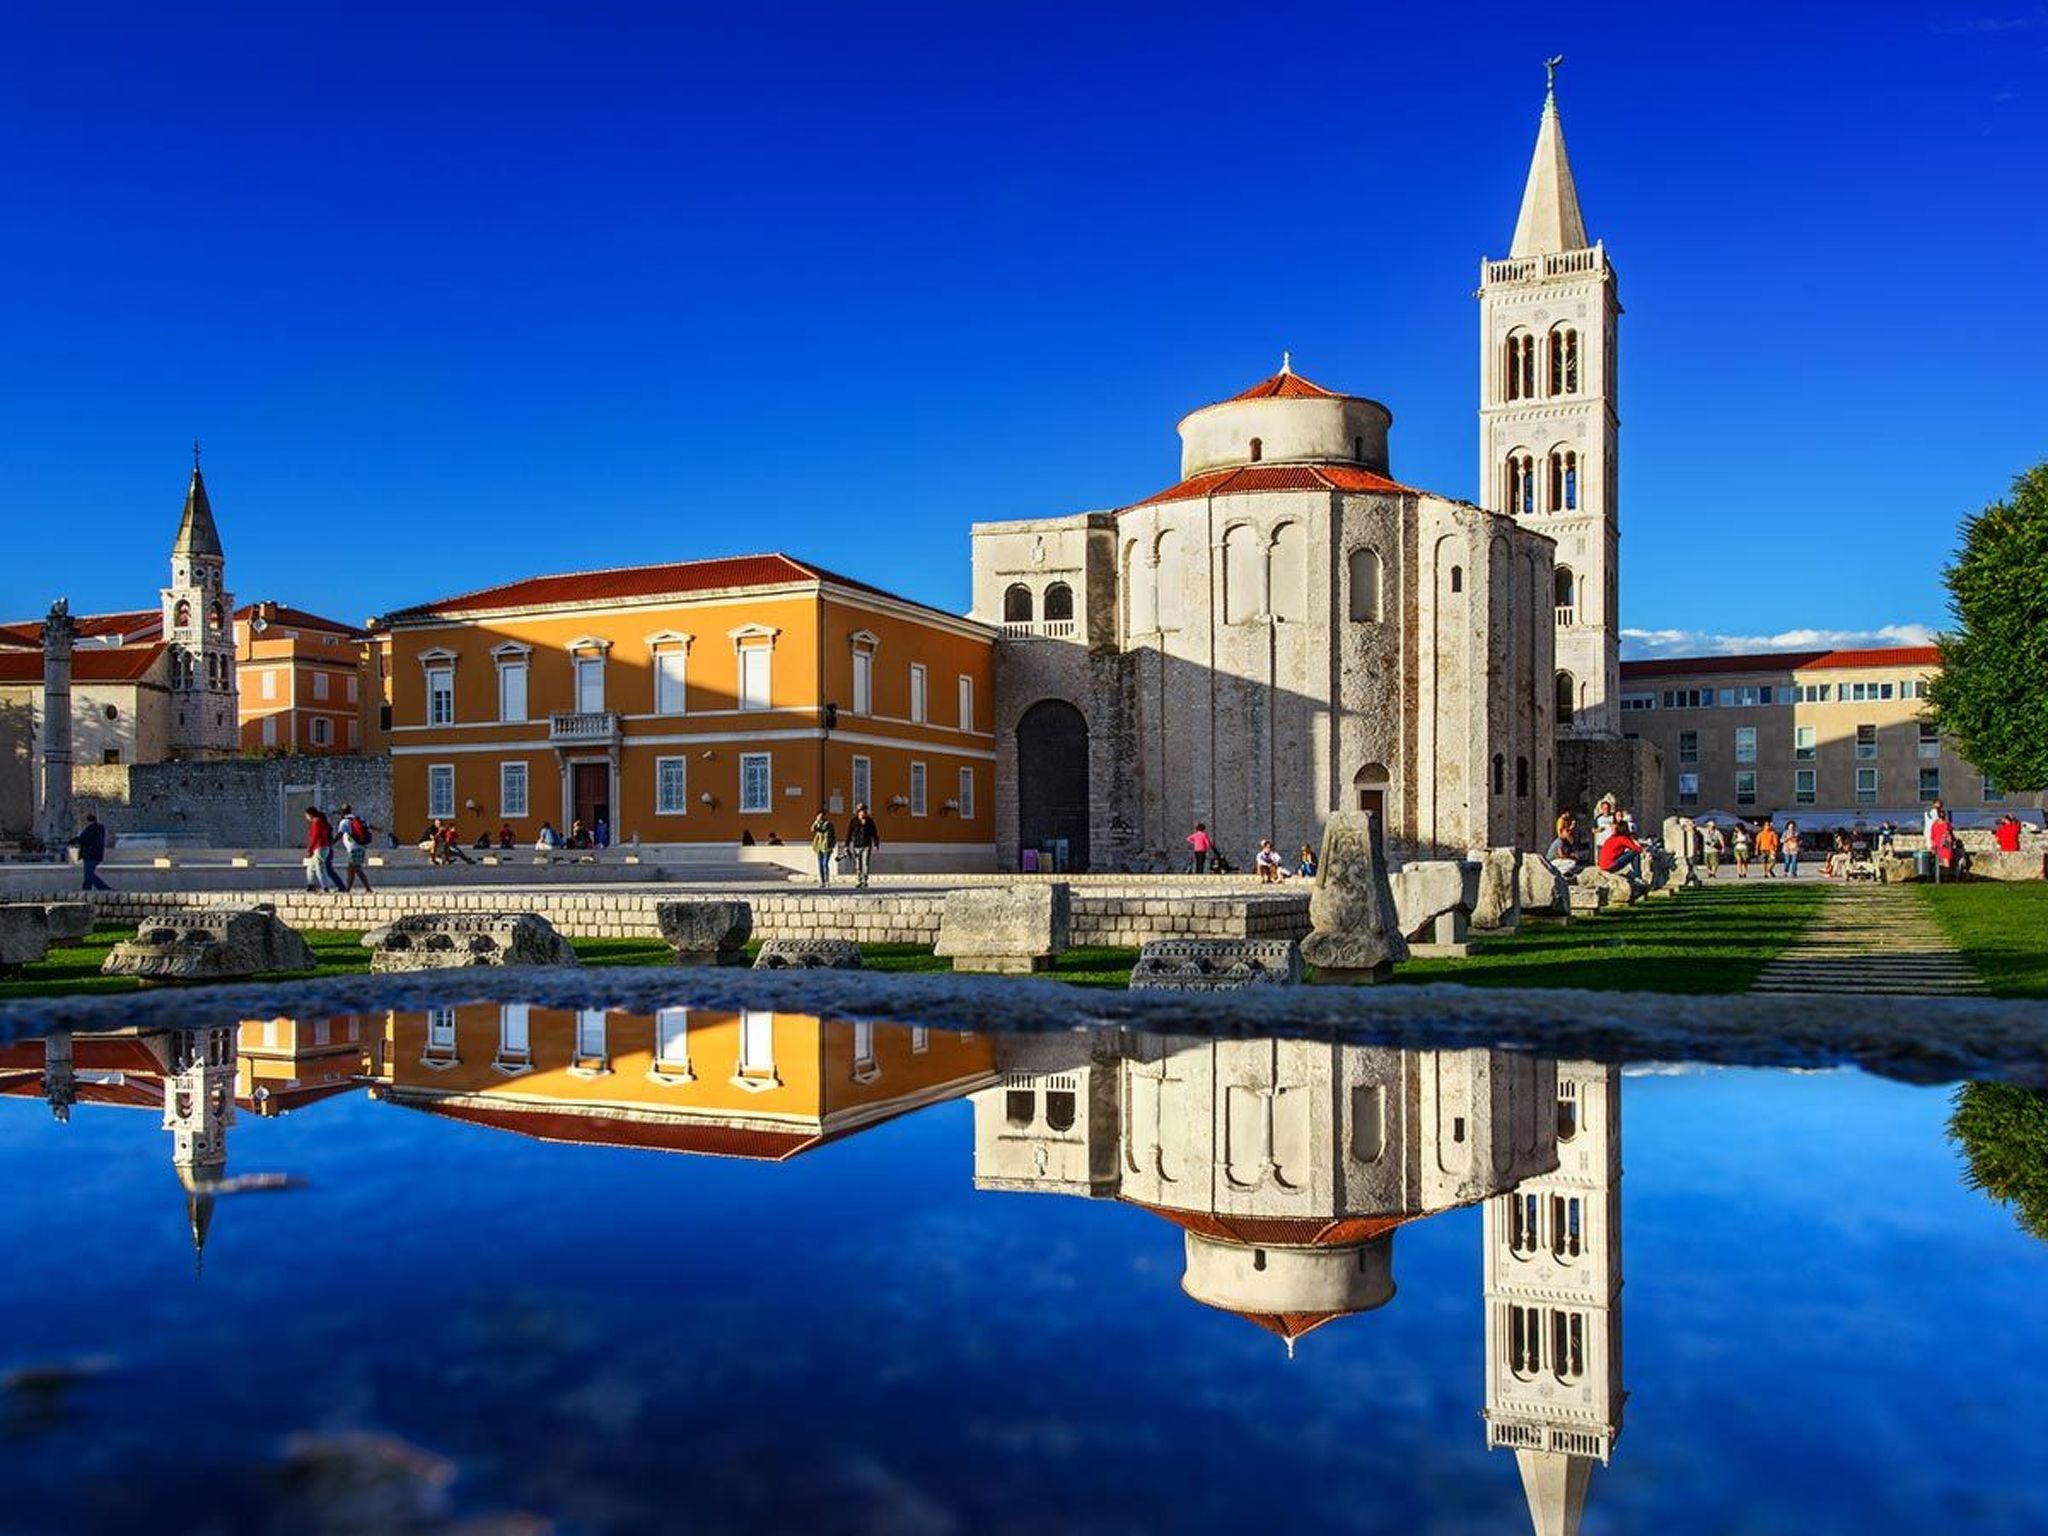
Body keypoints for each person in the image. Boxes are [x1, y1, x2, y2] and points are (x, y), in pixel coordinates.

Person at [336, 804, 374, 894]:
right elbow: (369, 826)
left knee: (356, 868)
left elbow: (340, 834)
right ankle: (348, 889)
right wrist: (379, 829)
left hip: (353, 847)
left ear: (342, 813)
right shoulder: (359, 818)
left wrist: (332, 842)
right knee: (351, 868)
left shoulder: (344, 822)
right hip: (361, 846)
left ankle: (368, 888)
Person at [304, 807, 344, 892]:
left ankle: (324, 887)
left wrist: (310, 849)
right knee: (310, 867)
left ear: (311, 814)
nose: (306, 817)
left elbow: (315, 836)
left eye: (307, 815)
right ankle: (311, 885)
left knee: (319, 868)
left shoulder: (316, 822)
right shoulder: (323, 823)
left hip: (319, 847)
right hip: (324, 848)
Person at [72, 811, 112, 892]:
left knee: (89, 874)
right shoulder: (99, 829)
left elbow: (83, 839)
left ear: (88, 821)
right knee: (88, 875)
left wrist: (72, 841)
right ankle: (86, 890)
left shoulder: (91, 829)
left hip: (90, 855)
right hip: (96, 854)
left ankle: (104, 888)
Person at [1597, 818, 1645, 884]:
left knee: (1631, 853)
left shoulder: (1612, 837)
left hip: (1603, 865)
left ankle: (1637, 877)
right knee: (1635, 853)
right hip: (1610, 865)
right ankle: (1638, 877)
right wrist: (1634, 840)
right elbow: (1638, 849)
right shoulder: (1623, 838)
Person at [845, 802, 882, 888]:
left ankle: (864, 880)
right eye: (861, 811)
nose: (863, 813)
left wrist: (876, 844)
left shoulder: (870, 821)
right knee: (858, 864)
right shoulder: (853, 821)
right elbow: (849, 833)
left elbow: (874, 833)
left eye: (864, 811)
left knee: (865, 863)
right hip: (856, 845)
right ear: (858, 812)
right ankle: (859, 880)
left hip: (866, 845)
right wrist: (846, 845)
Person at [810, 809, 838, 885]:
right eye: (819, 816)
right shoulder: (818, 824)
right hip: (819, 847)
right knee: (820, 865)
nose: (820, 817)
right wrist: (816, 822)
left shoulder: (829, 824)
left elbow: (833, 836)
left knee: (825, 864)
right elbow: (812, 829)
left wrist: (832, 845)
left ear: (824, 816)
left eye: (822, 816)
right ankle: (822, 881)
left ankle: (827, 880)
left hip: (827, 847)